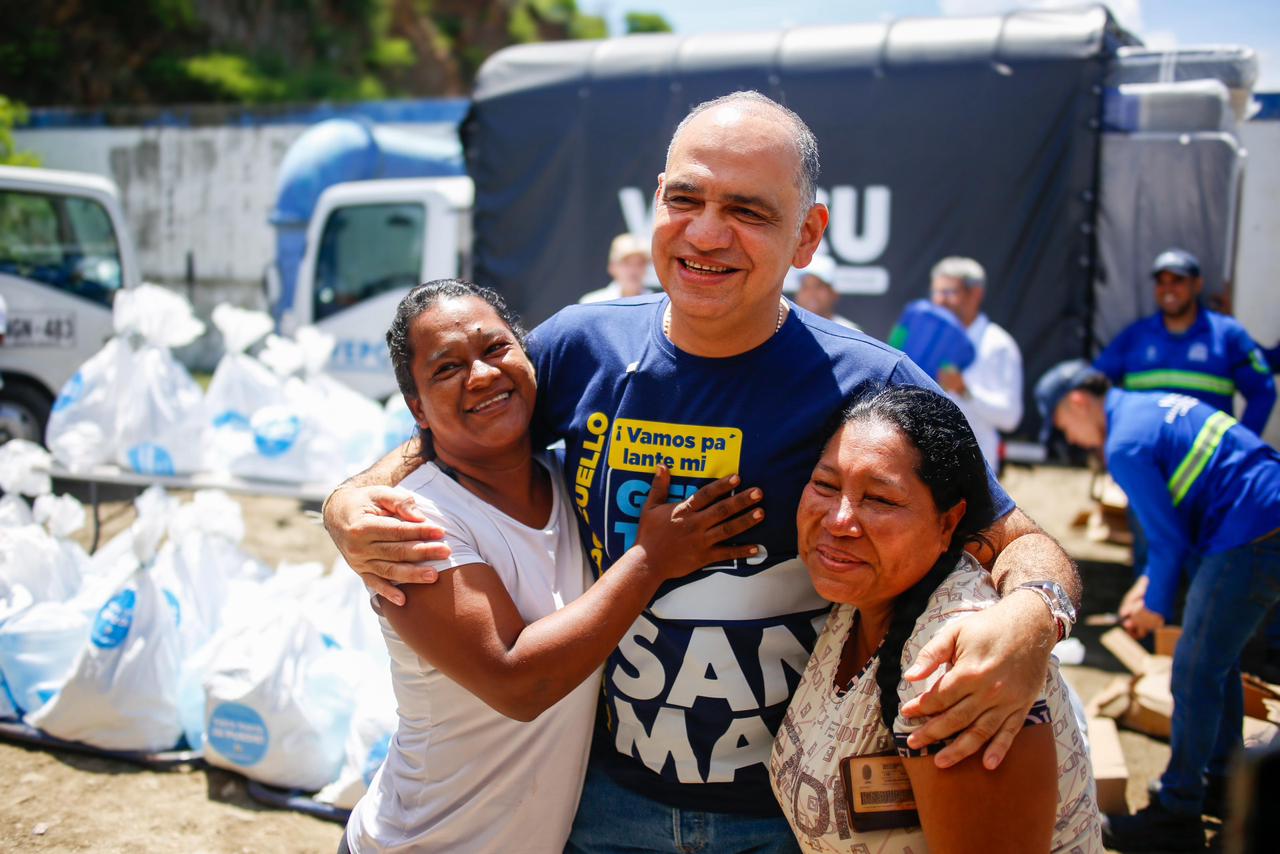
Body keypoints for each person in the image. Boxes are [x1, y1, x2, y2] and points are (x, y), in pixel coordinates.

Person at [324, 91, 1080, 852]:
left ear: (808, 235)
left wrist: (1031, 620)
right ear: (658, 200)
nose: (707, 233)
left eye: (748, 211)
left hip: (783, 818)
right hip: (600, 809)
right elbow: (464, 427)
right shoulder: (582, 347)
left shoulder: (871, 382)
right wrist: (350, 498)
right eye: (686, 199)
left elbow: (1016, 539)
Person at [343, 279, 764, 852]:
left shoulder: (567, 478)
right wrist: (650, 560)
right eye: (447, 369)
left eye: (495, 348)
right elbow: (518, 683)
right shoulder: (414, 523)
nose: (482, 375)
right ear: (417, 408)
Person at [772, 385, 1101, 853]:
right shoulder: (858, 599)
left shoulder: (962, 666)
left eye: (880, 500)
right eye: (825, 485)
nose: (839, 520)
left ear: (948, 523)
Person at [1037, 359, 1280, 852]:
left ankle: (1177, 812)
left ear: (1078, 402)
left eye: (1064, 426)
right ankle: (1221, 780)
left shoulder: (1124, 446)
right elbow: (1174, 530)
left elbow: (1168, 542)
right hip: (1263, 510)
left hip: (1249, 529)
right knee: (1217, 661)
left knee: (1192, 669)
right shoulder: (1142, 409)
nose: (1074, 440)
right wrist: (1147, 587)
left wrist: (1155, 606)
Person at [1094, 247, 1275, 436]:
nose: (1168, 289)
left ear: (1197, 284)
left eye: (1177, 280)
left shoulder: (1227, 334)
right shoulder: (1135, 336)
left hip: (1204, 452)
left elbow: (1262, 392)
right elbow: (1094, 382)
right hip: (1146, 450)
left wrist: (1241, 443)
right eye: (1161, 282)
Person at [928, 256, 1023, 471]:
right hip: (928, 469)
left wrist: (964, 390)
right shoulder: (928, 341)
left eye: (949, 292)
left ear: (975, 294)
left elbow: (1010, 417)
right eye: (936, 292)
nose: (940, 300)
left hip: (977, 471)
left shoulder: (998, 345)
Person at [578, 232, 653, 304]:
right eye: (626, 263)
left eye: (640, 263)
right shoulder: (592, 303)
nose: (633, 270)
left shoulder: (656, 303)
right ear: (612, 267)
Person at [792, 255, 859, 330]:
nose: (811, 294)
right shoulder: (786, 330)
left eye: (819, 286)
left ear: (833, 293)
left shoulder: (850, 331)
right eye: (806, 287)